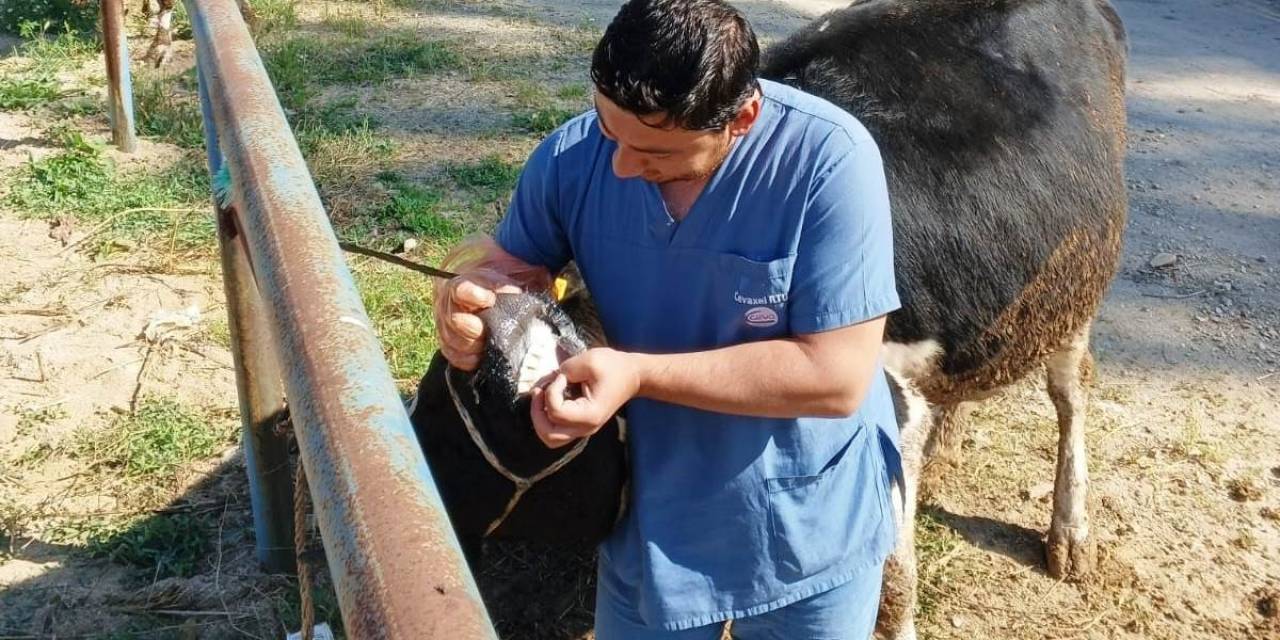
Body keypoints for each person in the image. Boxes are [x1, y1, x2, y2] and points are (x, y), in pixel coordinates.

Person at [434, 0, 900, 637]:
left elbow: (836, 376)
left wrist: (637, 376)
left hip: (804, 520)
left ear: (742, 119)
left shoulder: (829, 163)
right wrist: (473, 300)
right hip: (648, 513)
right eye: (609, 130)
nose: (621, 166)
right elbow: (508, 268)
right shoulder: (574, 155)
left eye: (654, 151)